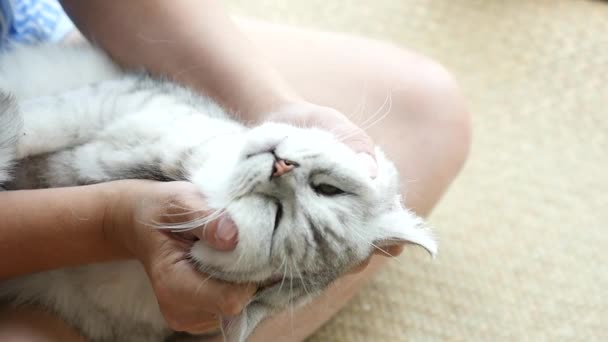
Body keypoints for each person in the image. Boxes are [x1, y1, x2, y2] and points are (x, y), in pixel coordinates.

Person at [0, 1, 471, 341]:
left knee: (430, 112)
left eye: (329, 185)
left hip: (27, 32)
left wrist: (277, 106)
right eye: (324, 186)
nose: (283, 172)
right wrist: (113, 223)